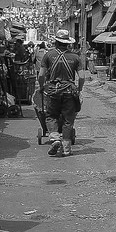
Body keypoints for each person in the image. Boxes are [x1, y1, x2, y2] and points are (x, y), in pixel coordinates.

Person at [38, 29, 84, 157]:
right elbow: (81, 77)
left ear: (56, 42)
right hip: (69, 90)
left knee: (51, 115)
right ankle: (66, 149)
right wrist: (79, 90)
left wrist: (42, 87)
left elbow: (41, 75)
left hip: (53, 90)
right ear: (68, 43)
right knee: (68, 119)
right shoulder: (75, 57)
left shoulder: (48, 55)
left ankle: (55, 138)